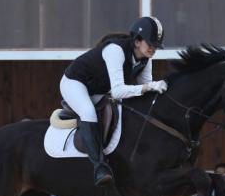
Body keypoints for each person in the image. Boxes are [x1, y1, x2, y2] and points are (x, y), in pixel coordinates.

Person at [60, 16, 168, 187]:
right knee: (88, 111)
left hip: (99, 90)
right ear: (138, 41)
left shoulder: (145, 59)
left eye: (156, 45)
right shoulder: (115, 50)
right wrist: (148, 88)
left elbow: (145, 88)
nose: (154, 48)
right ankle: (99, 167)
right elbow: (119, 91)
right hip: (75, 83)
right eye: (151, 44)